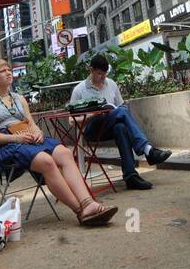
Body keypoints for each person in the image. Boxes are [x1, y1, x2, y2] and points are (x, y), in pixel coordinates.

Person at [0, 58, 118, 226]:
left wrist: (38, 133)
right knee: (47, 161)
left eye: (9, 69)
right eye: (2, 71)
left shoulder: (19, 98)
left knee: (65, 153)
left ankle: (88, 203)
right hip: (6, 145)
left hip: (28, 138)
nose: (8, 72)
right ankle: (80, 211)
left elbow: (31, 123)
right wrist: (16, 138)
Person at [69, 54, 169, 191]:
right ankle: (147, 150)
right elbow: (72, 121)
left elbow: (121, 107)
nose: (102, 78)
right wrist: (92, 114)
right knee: (120, 113)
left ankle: (131, 177)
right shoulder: (79, 90)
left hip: (110, 126)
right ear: (91, 70)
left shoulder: (111, 84)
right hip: (91, 129)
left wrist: (112, 110)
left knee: (120, 127)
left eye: (105, 74)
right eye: (99, 74)